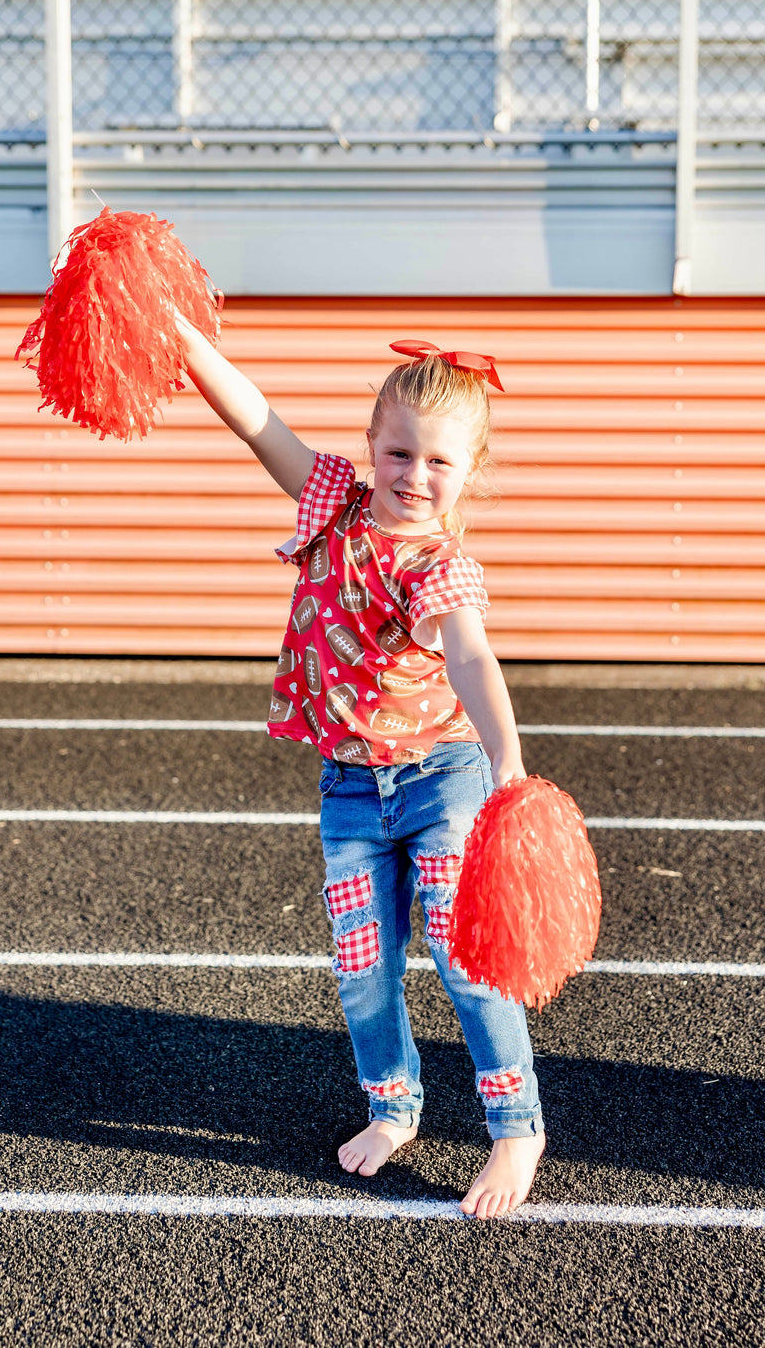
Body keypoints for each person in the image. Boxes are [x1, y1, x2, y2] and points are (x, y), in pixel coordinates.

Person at [176, 317, 545, 1220]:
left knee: (466, 964)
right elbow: (255, 418)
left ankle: (516, 1126)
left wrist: (508, 760)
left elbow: (469, 659)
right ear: (371, 447)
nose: (416, 476)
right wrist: (181, 335)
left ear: (472, 471)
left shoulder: (444, 567)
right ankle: (394, 1108)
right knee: (364, 968)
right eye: (400, 453)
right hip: (349, 785)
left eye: (441, 463)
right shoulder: (333, 507)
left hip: (441, 778)